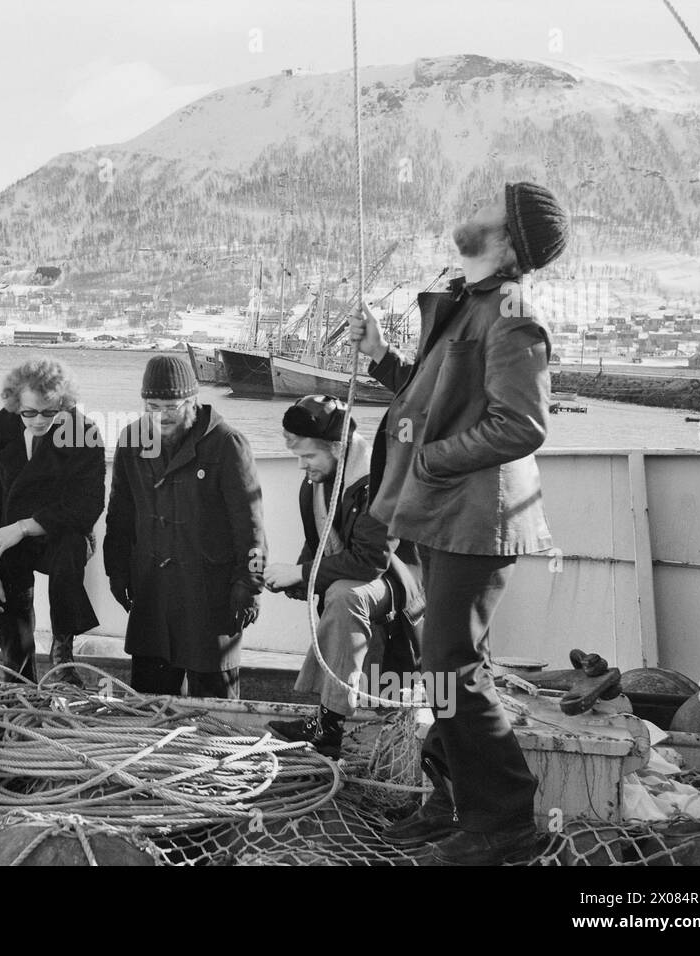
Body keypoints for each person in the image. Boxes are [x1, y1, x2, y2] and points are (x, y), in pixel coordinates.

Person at [350, 181, 568, 865]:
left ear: (508, 239)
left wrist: (431, 460)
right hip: (447, 515)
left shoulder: (510, 312)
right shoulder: (469, 303)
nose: (471, 207)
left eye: (491, 208)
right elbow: (436, 398)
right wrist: (383, 358)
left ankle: (505, 824)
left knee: (451, 666)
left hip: (479, 518)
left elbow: (522, 425)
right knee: (447, 663)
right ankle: (450, 804)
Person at [261, 396, 423, 758]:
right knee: (340, 592)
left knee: (345, 595)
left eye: (309, 457)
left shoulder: (379, 481)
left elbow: (369, 561)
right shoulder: (316, 482)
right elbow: (318, 542)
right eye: (298, 457)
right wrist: (290, 581)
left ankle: (328, 726)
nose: (303, 467)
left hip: (397, 585)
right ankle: (325, 717)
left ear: (338, 448)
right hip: (354, 579)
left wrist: (301, 573)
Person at [104, 355, 265, 699]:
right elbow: (119, 515)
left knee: (215, 712)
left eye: (172, 406)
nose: (162, 415)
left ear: (192, 401)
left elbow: (251, 527)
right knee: (149, 706)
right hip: (153, 595)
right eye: (153, 405)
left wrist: (250, 586)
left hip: (210, 597)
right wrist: (116, 572)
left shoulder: (227, 443)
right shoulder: (132, 441)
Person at [0, 358, 104, 686]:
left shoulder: (82, 432)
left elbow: (87, 505)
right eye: (29, 413)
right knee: (6, 566)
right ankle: (18, 676)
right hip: (8, 541)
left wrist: (24, 526)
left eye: (49, 412)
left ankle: (63, 652)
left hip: (61, 535)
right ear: (14, 404)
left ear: (64, 405)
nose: (39, 421)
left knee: (70, 545)